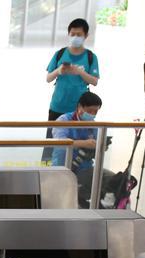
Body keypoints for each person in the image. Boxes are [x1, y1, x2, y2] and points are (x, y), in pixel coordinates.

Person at [44, 19, 100, 163]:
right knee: (52, 145)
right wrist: (59, 70)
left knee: (78, 145)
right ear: (68, 34)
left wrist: (80, 72)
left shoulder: (91, 57)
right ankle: (48, 170)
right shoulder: (60, 54)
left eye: (79, 34)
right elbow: (48, 78)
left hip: (80, 111)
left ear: (86, 36)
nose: (75, 37)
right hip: (58, 106)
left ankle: (76, 170)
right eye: (72, 34)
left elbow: (94, 81)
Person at [51, 91, 102, 206]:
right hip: (62, 168)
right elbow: (59, 141)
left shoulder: (94, 125)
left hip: (85, 170)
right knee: (60, 201)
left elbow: (97, 144)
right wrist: (84, 143)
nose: (93, 114)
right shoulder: (64, 120)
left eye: (96, 111)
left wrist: (101, 146)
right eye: (90, 111)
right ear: (80, 107)